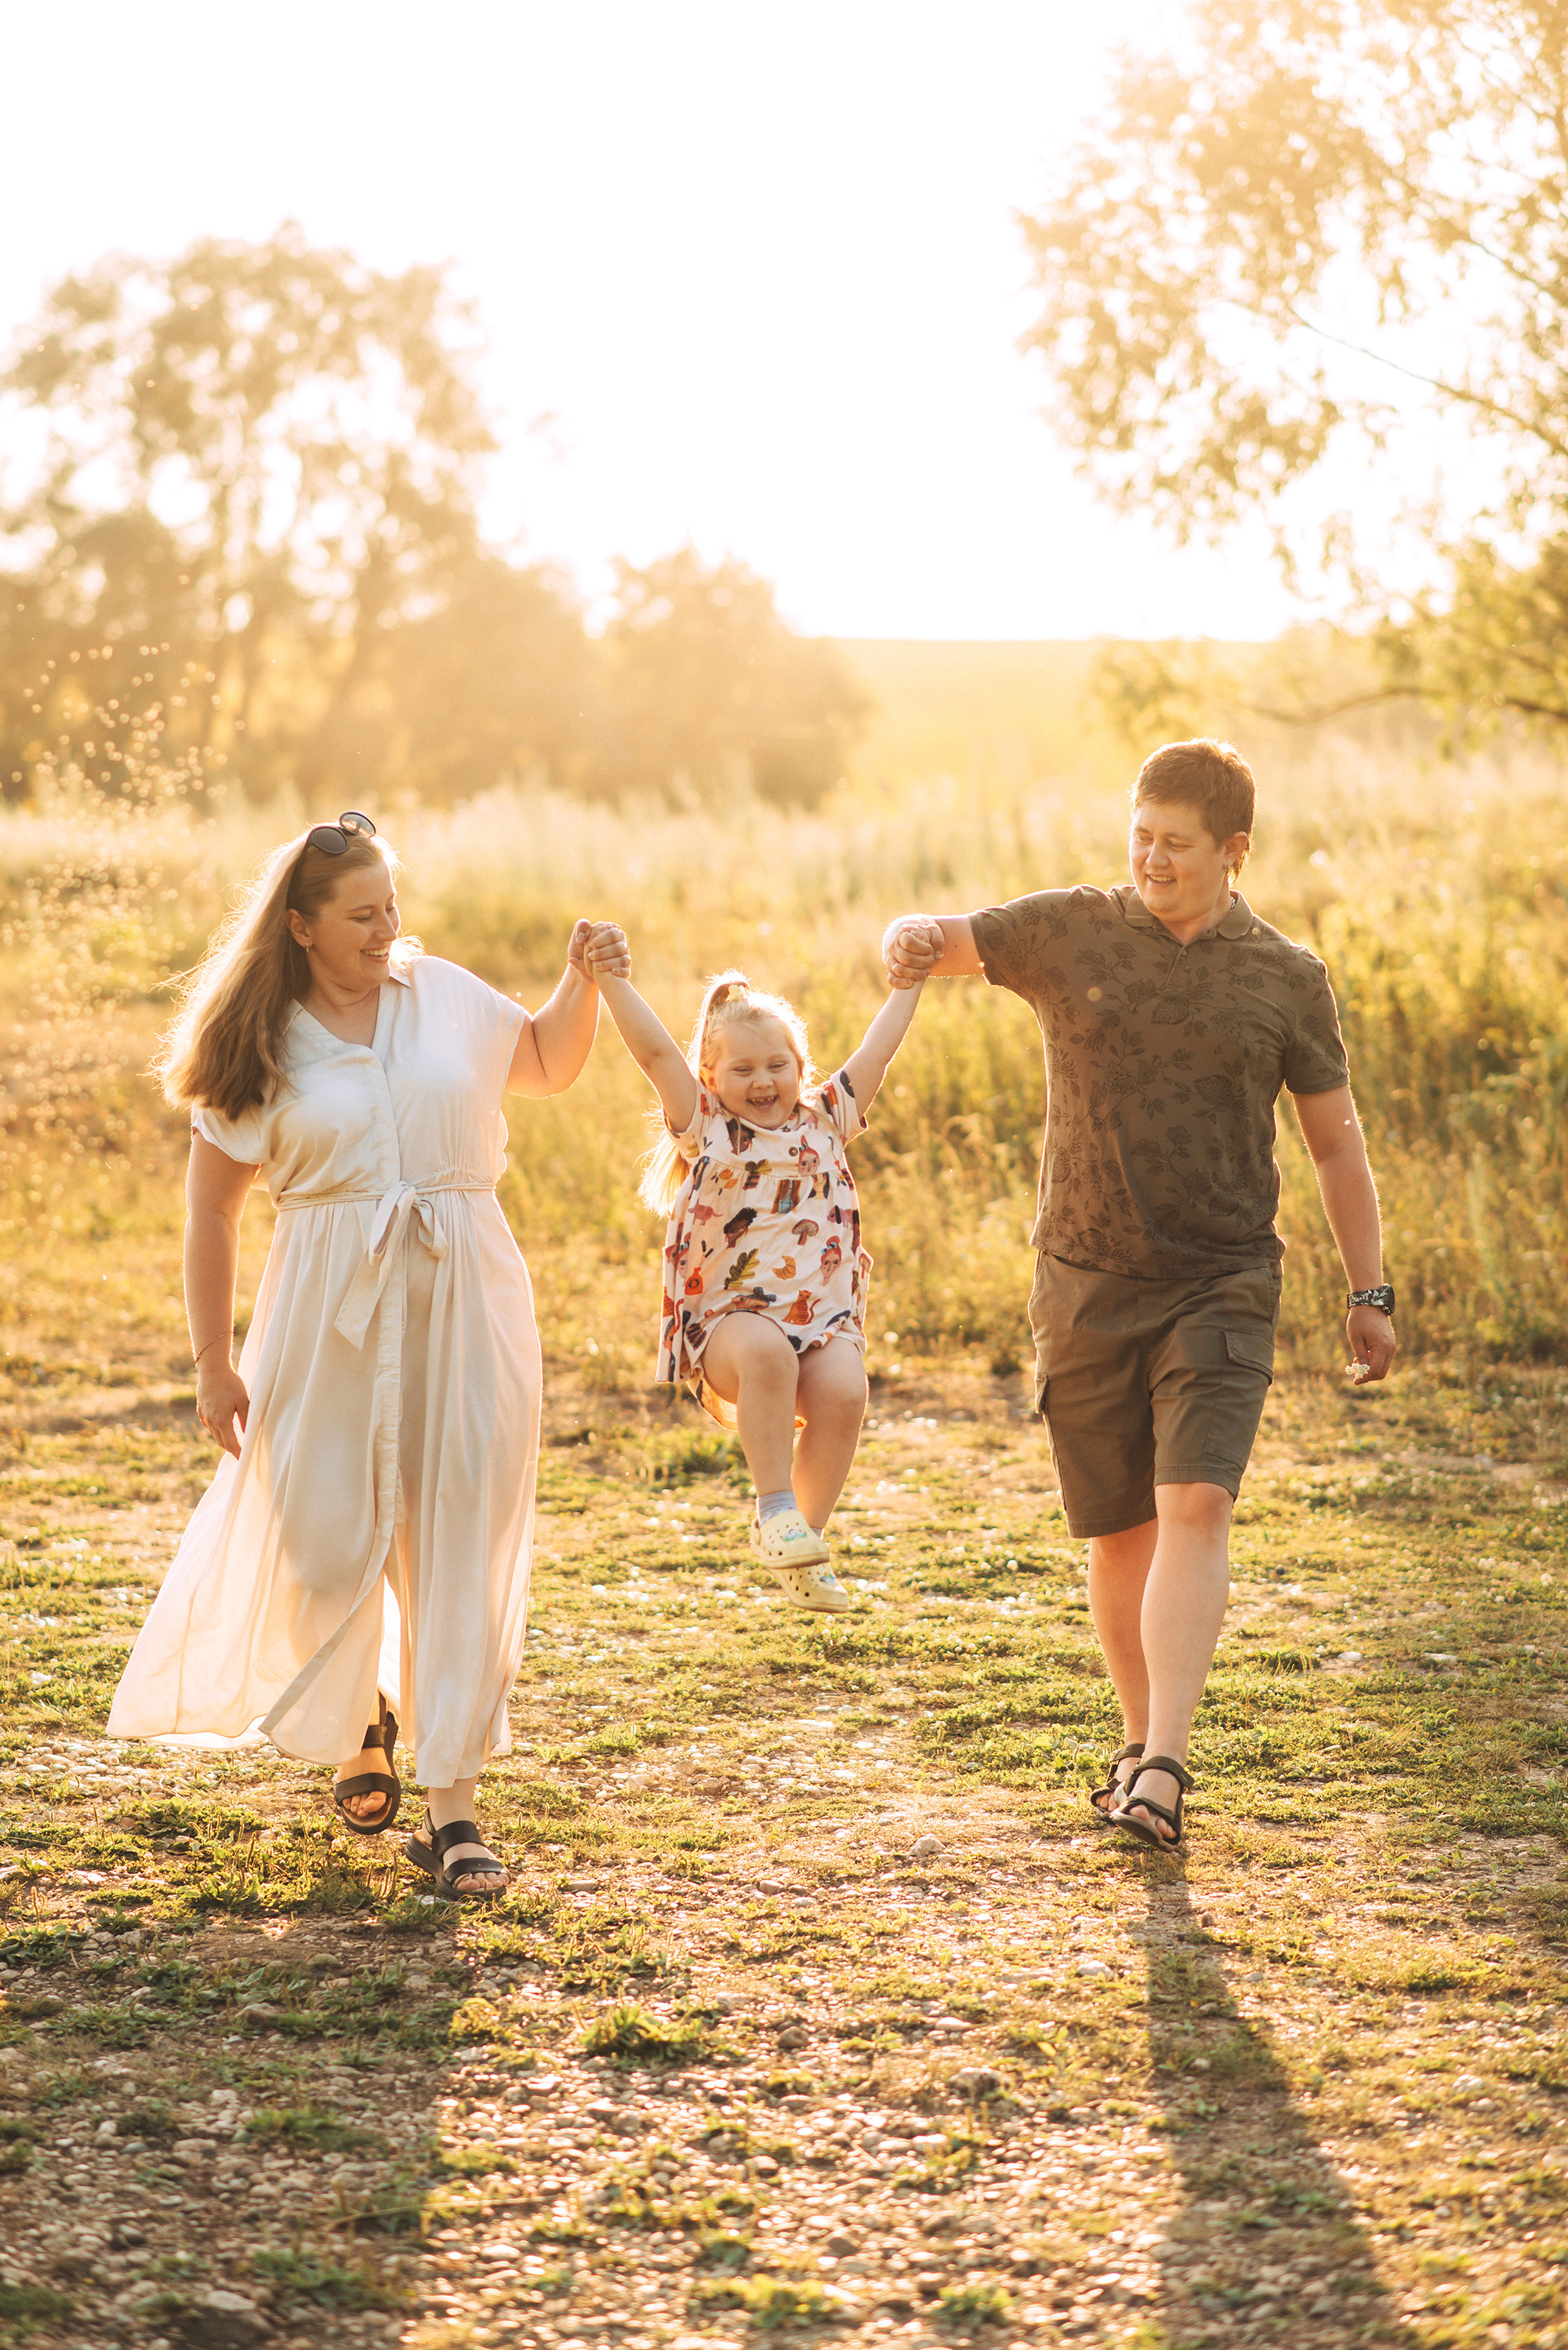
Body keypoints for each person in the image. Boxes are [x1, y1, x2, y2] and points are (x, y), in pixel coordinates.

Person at [882, 739, 1396, 1850]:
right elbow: (951, 943)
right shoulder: (1073, 928)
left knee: (1195, 1504)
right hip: (1084, 1276)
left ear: (1235, 853)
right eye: (1141, 835)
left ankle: (1165, 1759)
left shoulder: (1284, 978)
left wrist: (1372, 1287)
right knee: (1117, 1533)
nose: (1151, 859)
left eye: (1176, 843)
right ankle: (1133, 1738)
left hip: (1221, 1278)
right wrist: (907, 936)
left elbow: (1335, 1144)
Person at [107, 810, 624, 1901]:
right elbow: (211, 1213)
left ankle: (456, 1808)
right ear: (300, 925)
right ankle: (360, 1721)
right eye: (362, 914)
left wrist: (582, 982)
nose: (389, 928)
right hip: (324, 1308)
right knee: (326, 1535)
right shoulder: (261, 1042)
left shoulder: (439, 993)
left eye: (394, 904)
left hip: (464, 1286)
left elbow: (539, 1061)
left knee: (454, 1537)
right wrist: (212, 1360)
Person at [583, 938, 926, 1608]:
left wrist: (909, 983)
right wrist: (612, 980)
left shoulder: (826, 1120)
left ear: (803, 1068)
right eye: (743, 1069)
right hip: (730, 1326)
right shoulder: (705, 1126)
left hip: (820, 1317)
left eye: (779, 1065)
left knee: (845, 1394)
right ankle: (774, 1510)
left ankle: (804, 1545)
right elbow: (656, 1054)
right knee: (768, 1353)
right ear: (709, 1078)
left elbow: (878, 1054)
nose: (764, 1081)